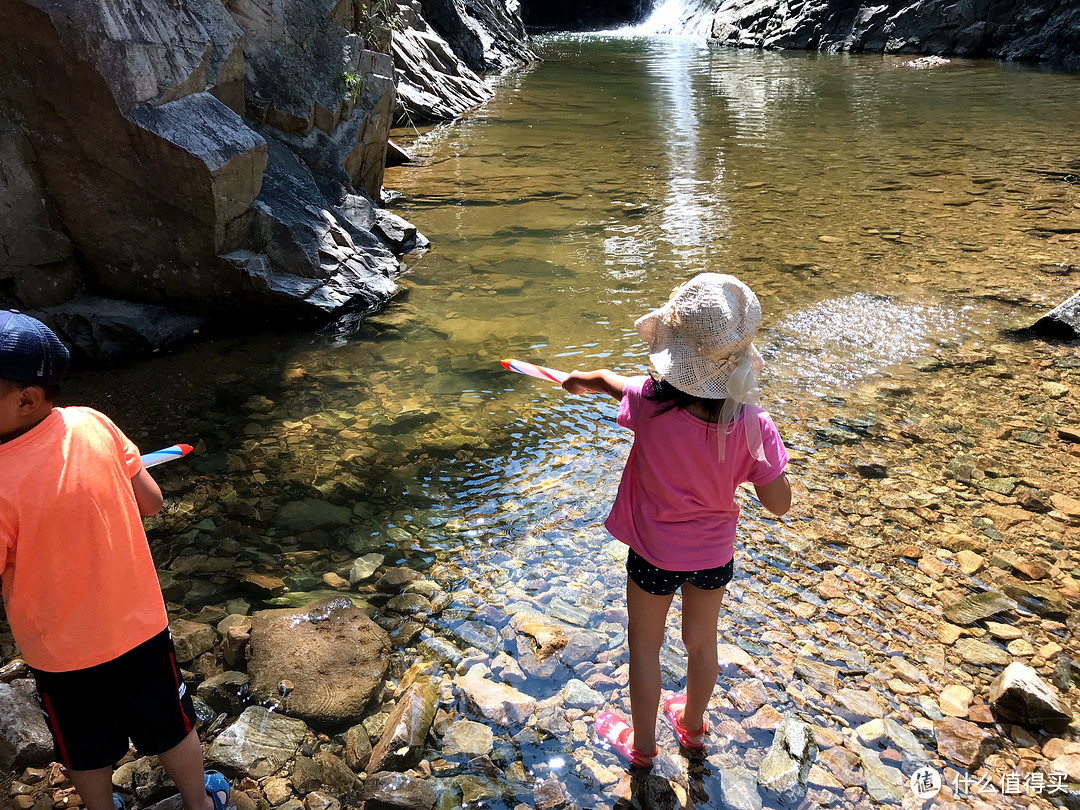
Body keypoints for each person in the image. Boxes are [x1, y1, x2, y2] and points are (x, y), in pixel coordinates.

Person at [0, 311, 230, 810]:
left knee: (84, 747)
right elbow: (151, 502)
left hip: (61, 653)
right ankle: (199, 803)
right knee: (172, 725)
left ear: (25, 399)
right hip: (140, 629)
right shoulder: (94, 422)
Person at [561, 274, 792, 769]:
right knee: (701, 643)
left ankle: (642, 749)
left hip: (652, 555)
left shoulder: (650, 403)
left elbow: (609, 382)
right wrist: (763, 460)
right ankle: (690, 725)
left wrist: (580, 380)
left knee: (644, 649)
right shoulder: (754, 424)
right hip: (713, 557)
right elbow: (779, 504)